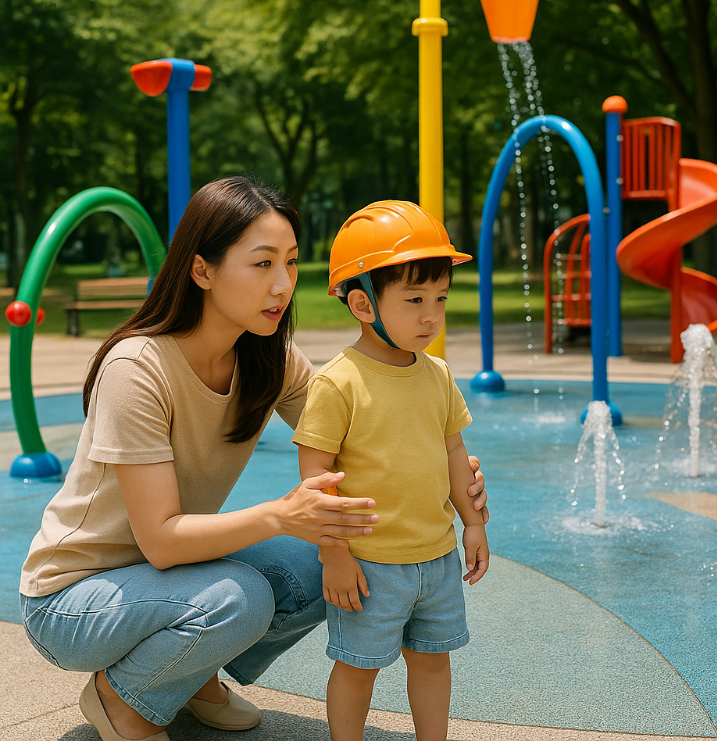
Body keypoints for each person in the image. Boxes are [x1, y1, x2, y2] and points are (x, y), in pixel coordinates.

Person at [18, 177, 488, 741]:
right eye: (262, 264)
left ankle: (188, 677)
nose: (283, 284)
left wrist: (438, 463)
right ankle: (125, 699)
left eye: (290, 263)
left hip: (169, 577)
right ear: (203, 271)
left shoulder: (269, 357)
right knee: (239, 598)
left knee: (335, 561)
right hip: (75, 598)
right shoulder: (136, 369)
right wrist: (280, 514)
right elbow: (161, 541)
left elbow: (358, 432)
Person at [293, 200, 490, 741]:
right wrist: (333, 554)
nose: (431, 315)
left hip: (437, 556)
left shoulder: (438, 375)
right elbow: (316, 482)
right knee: (359, 667)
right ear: (362, 304)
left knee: (433, 661)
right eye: (413, 300)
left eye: (440, 299)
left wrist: (473, 524)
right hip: (369, 564)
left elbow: (454, 454)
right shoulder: (339, 383)